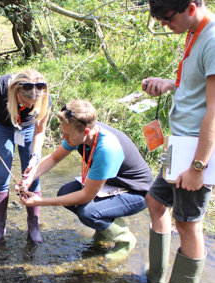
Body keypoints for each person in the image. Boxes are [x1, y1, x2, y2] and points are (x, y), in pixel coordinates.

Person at [19, 99, 153, 261]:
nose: (63, 137)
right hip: (112, 184)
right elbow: (54, 158)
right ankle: (104, 230)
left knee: (88, 212)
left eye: (67, 134)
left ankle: (125, 240)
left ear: (86, 131)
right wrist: (30, 177)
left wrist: (40, 201)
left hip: (136, 192)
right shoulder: (80, 132)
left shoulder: (107, 149)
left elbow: (86, 196)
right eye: (63, 132)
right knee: (65, 193)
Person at [142, 1, 215, 283]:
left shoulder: (212, 39)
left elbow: (214, 110)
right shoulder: (194, 32)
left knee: (187, 224)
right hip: (179, 146)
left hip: (194, 152)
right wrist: (171, 84)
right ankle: (155, 279)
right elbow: (198, 88)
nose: (164, 24)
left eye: (167, 18)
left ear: (192, 7)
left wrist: (198, 166)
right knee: (156, 201)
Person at [0, 69, 51, 244]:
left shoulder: (43, 95)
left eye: (33, 105)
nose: (28, 107)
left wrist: (35, 157)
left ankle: (33, 226)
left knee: (32, 177)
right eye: (24, 102)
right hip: (3, 129)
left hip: (28, 131)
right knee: (1, 177)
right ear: (14, 92)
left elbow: (39, 131)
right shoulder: (1, 86)